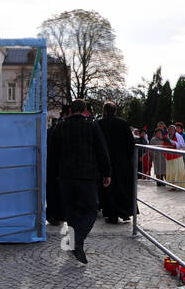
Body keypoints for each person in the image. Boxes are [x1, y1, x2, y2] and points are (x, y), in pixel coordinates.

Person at [48, 100, 107, 262]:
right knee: (91, 209)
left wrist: (53, 177)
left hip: (65, 176)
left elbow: (53, 155)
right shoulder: (92, 126)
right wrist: (106, 173)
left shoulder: (59, 127)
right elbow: (102, 150)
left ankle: (73, 242)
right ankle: (77, 241)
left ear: (71, 111)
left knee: (71, 212)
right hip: (87, 175)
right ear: (85, 111)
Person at [96, 104, 138, 227]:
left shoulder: (99, 124)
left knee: (108, 188)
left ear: (104, 110)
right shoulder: (123, 123)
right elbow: (130, 143)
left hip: (106, 160)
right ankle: (124, 211)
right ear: (115, 111)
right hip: (122, 161)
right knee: (123, 186)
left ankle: (111, 214)